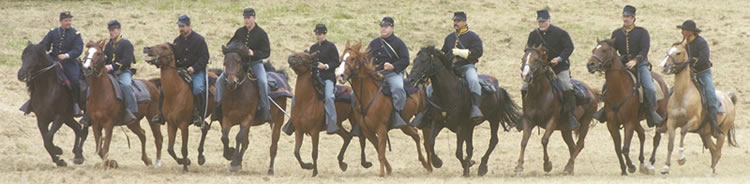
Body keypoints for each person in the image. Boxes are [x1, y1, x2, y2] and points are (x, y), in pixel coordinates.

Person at [593, 5, 664, 127]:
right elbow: (611, 51)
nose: (625, 19)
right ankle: (605, 110)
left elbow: (644, 49)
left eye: (628, 17)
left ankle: (651, 112)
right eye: (624, 16)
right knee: (606, 85)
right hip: (623, 63)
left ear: (633, 18)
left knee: (649, 88)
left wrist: (636, 61)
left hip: (640, 64)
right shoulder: (616, 33)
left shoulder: (642, 32)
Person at [214, 8, 273, 123]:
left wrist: (253, 53)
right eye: (245, 18)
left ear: (254, 18)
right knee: (220, 80)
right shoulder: (240, 31)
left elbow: (267, 52)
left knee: (263, 81)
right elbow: (231, 43)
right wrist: (229, 49)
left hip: (255, 63)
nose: (246, 21)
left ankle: (265, 109)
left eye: (248, 18)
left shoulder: (261, 33)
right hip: (239, 64)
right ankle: (217, 107)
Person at [524, 9, 578, 130]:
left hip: (559, 66)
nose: (541, 24)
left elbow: (569, 47)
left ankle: (570, 115)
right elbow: (528, 49)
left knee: (566, 85)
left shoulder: (560, 33)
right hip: (539, 68)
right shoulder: (533, 34)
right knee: (524, 86)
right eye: (539, 22)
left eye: (543, 21)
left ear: (549, 21)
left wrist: (559, 59)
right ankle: (525, 114)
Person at [153, 15, 210, 127]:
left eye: (182, 26)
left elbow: (205, 57)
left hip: (196, 71)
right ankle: (161, 114)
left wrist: (194, 67)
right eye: (179, 26)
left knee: (198, 88)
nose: (180, 29)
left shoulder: (199, 40)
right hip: (180, 71)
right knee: (164, 88)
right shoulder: (177, 41)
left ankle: (198, 115)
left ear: (189, 26)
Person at [677, 20, 723, 138]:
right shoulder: (683, 43)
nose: (682, 32)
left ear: (691, 32)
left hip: (703, 73)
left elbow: (703, 59)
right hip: (689, 75)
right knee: (673, 92)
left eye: (685, 30)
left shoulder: (701, 42)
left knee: (710, 95)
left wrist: (689, 62)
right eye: (682, 30)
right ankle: (665, 120)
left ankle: (714, 126)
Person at [440, 11, 484, 123]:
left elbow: (478, 52)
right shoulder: (449, 38)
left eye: (458, 21)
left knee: (474, 81)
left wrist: (461, 52)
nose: (456, 23)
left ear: (465, 22)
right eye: (454, 20)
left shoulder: (473, 37)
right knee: (431, 87)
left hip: (466, 66)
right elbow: (443, 52)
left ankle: (475, 107)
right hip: (451, 69)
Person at [39, 11, 84, 116]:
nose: (68, 22)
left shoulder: (75, 34)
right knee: (39, 75)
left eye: (69, 20)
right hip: (53, 60)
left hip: (69, 62)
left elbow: (78, 49)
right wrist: (45, 52)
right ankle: (33, 102)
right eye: (66, 20)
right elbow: (44, 44)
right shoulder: (53, 32)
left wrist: (67, 55)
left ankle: (76, 104)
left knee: (75, 81)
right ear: (61, 21)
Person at [368, 16, 409, 129]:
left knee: (398, 88)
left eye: (386, 27)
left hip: (393, 73)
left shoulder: (399, 43)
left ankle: (397, 113)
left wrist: (393, 66)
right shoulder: (374, 43)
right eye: (382, 27)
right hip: (376, 74)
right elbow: (367, 58)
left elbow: (406, 60)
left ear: (392, 28)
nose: (383, 29)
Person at [104, 20, 137, 122]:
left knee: (126, 85)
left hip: (123, 71)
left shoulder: (126, 44)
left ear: (119, 30)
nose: (111, 32)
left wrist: (112, 66)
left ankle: (131, 111)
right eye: (110, 30)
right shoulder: (108, 45)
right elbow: (105, 58)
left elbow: (127, 60)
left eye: (113, 30)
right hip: (109, 73)